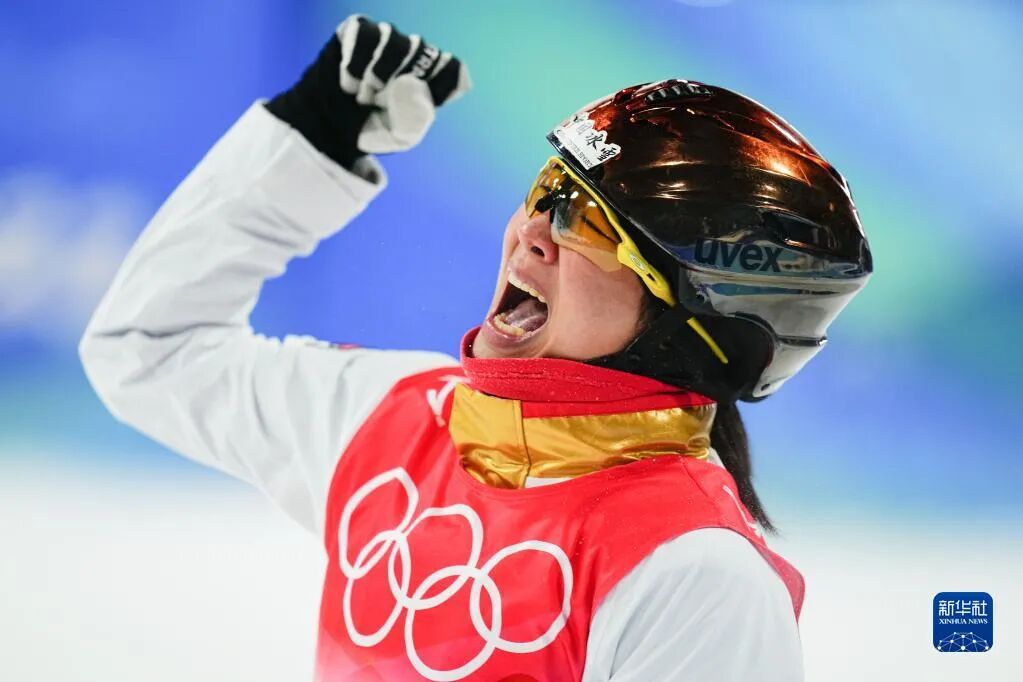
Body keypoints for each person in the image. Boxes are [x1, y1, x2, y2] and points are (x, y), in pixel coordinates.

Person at [79, 14, 872, 682]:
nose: (532, 233)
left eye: (589, 224)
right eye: (548, 189)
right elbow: (148, 350)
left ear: (689, 319)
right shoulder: (394, 422)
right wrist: (310, 140)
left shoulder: (695, 577)